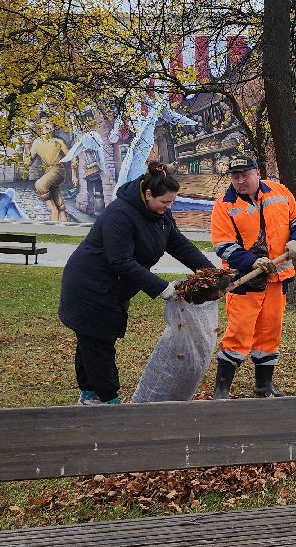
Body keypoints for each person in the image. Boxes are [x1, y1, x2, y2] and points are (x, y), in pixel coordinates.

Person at [58, 160, 214, 404]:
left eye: (172, 201)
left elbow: (178, 244)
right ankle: (109, 401)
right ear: (148, 193)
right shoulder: (119, 214)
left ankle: (89, 395)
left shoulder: (159, 214)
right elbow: (119, 260)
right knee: (97, 343)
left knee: (92, 341)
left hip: (112, 289)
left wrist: (210, 272)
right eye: (165, 202)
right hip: (88, 288)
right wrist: (161, 287)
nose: (169, 207)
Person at [210, 154, 296, 398]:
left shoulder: (279, 191)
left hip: (277, 280)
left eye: (245, 175)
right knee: (239, 333)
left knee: (269, 334)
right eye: (235, 176)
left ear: (257, 173)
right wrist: (252, 261)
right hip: (246, 280)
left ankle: (264, 387)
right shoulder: (224, 205)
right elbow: (223, 245)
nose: (240, 181)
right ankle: (221, 390)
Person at [29, 120, 71, 224]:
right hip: (48, 172)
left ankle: (53, 210)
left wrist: (74, 175)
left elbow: (72, 157)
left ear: (52, 130)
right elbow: (28, 161)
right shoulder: (36, 143)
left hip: (58, 170)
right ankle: (61, 222)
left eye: (47, 128)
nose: (44, 130)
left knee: (40, 185)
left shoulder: (58, 142)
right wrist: (26, 147)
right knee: (57, 197)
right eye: (43, 127)